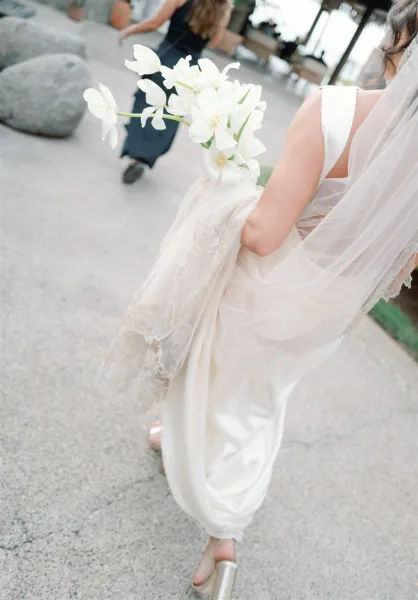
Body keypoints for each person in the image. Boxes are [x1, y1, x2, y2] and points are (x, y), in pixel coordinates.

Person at [111, 1, 418, 597]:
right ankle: (216, 546)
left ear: (399, 49)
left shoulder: (333, 110)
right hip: (325, 307)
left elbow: (261, 233)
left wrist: (227, 182)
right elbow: (399, 261)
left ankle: (222, 525)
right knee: (259, 399)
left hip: (266, 280)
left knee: (211, 368)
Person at [119, 0, 232, 184]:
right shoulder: (223, 9)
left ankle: (135, 155)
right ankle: (145, 156)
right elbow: (213, 42)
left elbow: (154, 23)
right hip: (190, 71)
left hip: (165, 60)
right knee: (170, 115)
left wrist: (129, 30)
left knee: (145, 104)